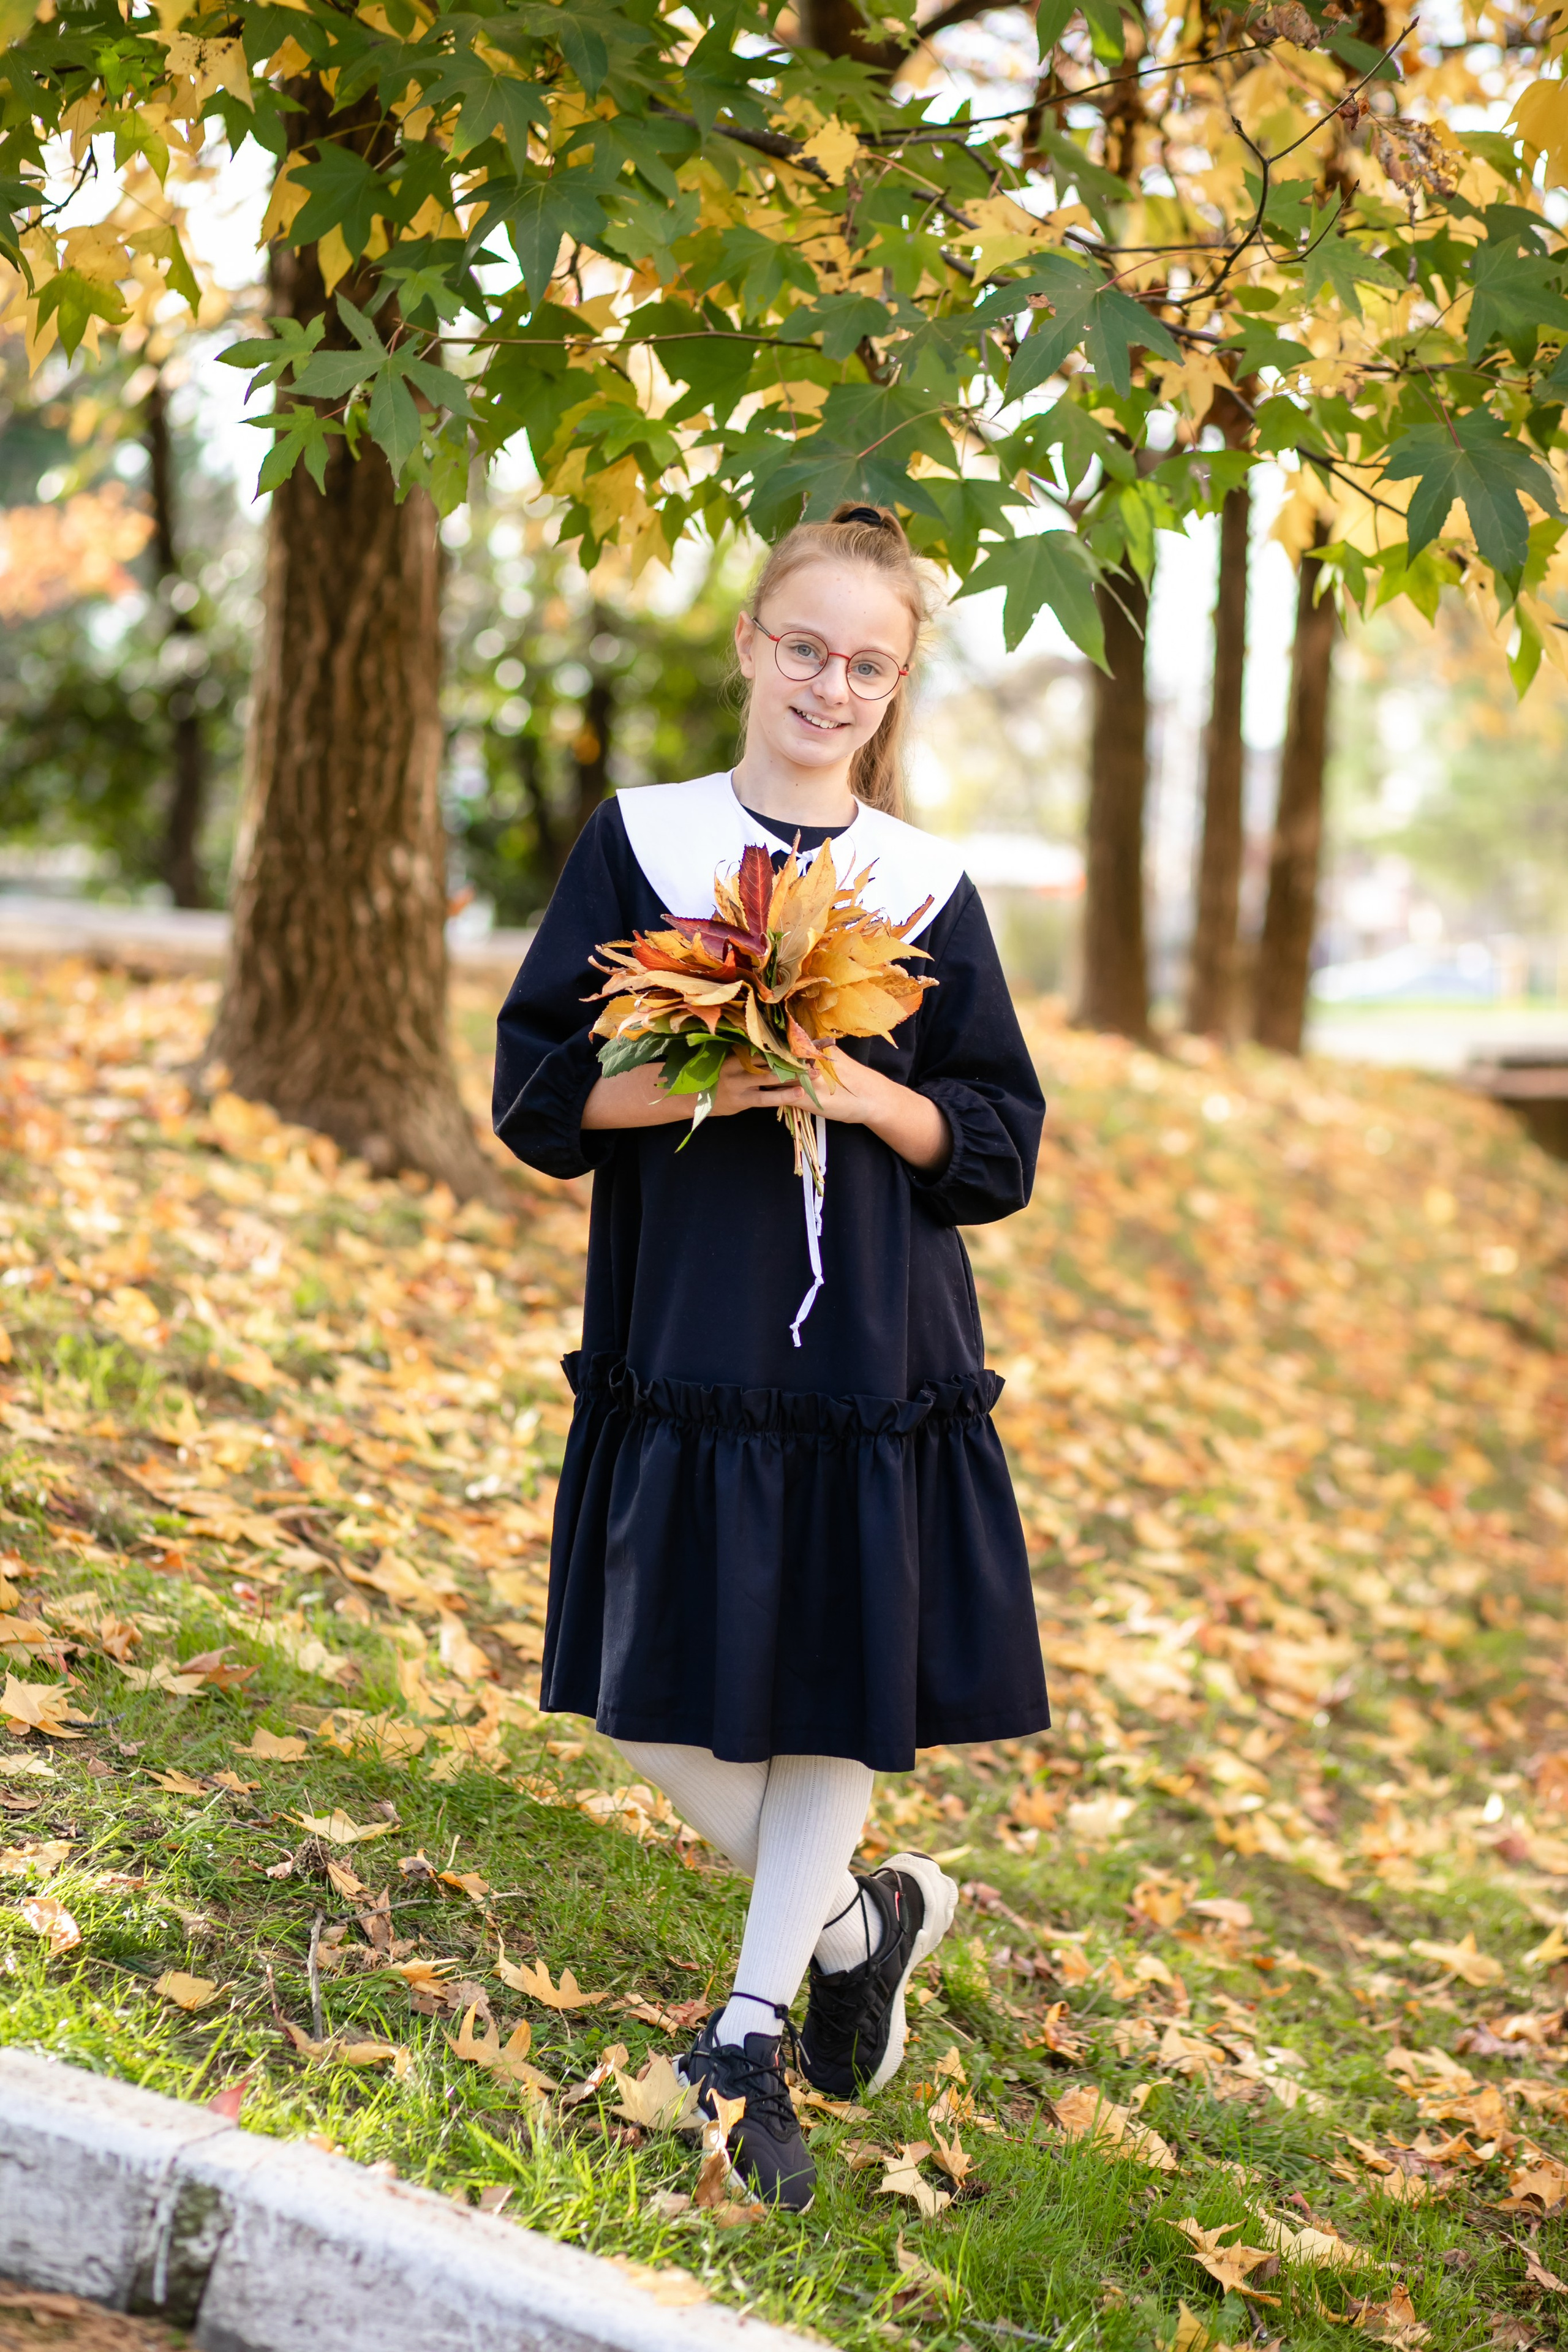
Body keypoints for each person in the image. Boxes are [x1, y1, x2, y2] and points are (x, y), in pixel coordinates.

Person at [493, 502, 1049, 2212]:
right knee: (639, 1689)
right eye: (804, 645)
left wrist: (868, 1093)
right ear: (747, 642)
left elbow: (1000, 1141)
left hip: (875, 1344)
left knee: (832, 1686)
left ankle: (747, 2033)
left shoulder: (925, 887)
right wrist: (709, 1079)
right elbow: (537, 1092)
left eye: (864, 664)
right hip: (686, 1330)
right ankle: (861, 1916)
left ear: (893, 691)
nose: (829, 681)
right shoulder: (641, 846)